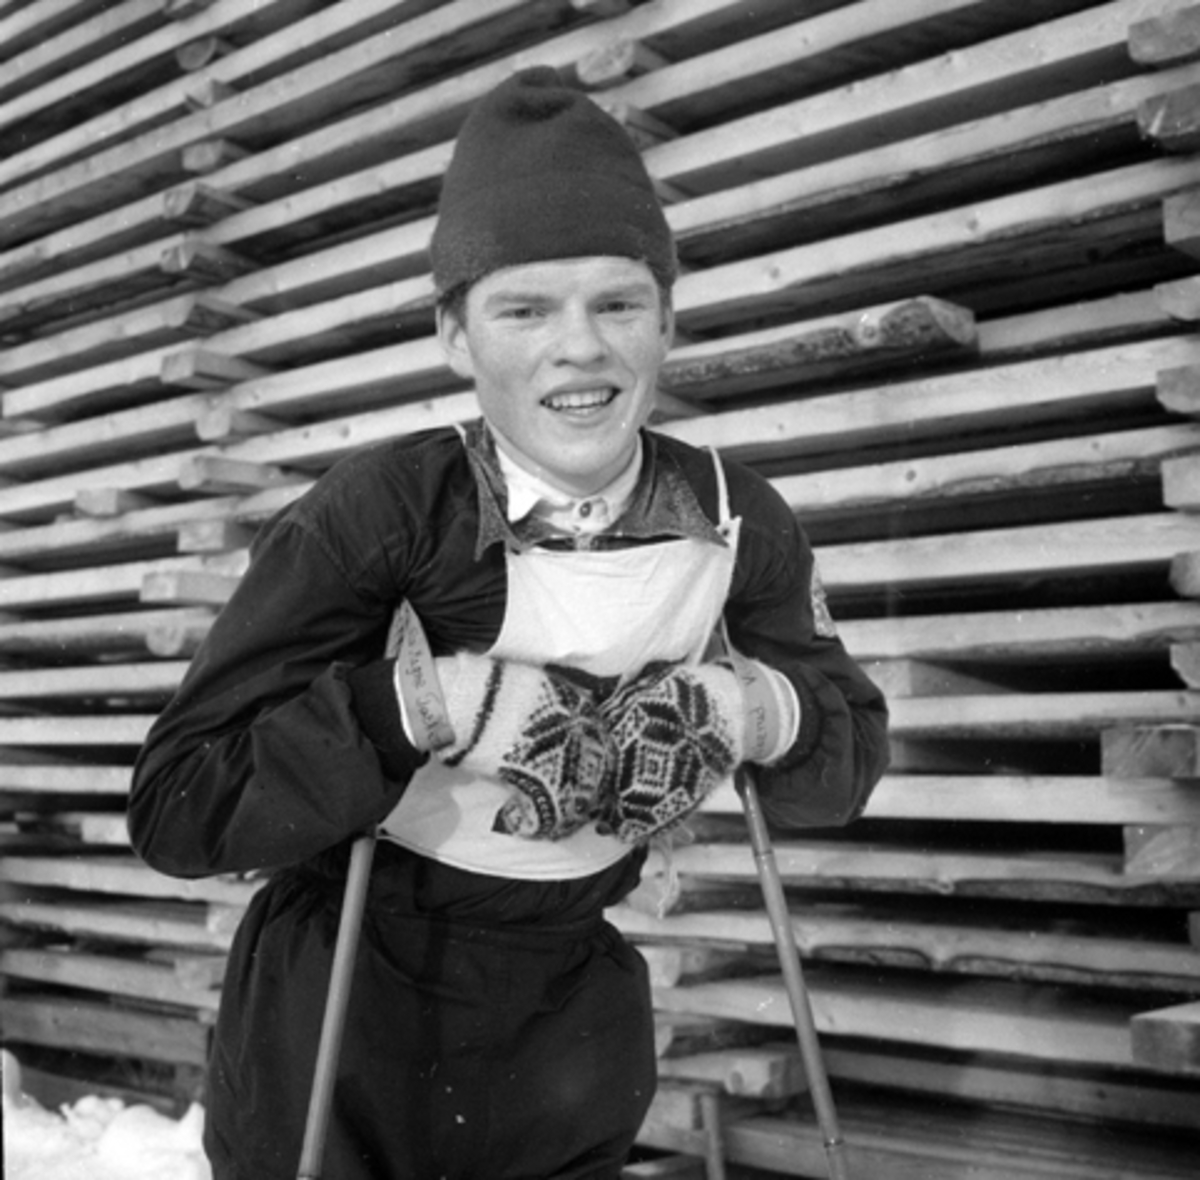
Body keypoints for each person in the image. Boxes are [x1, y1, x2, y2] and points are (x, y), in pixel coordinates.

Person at [128, 66, 889, 1180]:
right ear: (455, 336)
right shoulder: (387, 514)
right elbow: (181, 805)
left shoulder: (733, 520)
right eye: (524, 308)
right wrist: (435, 702)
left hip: (566, 1019)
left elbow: (844, 763)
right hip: (348, 1006)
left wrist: (749, 707)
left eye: (617, 302)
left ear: (666, 319)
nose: (579, 348)